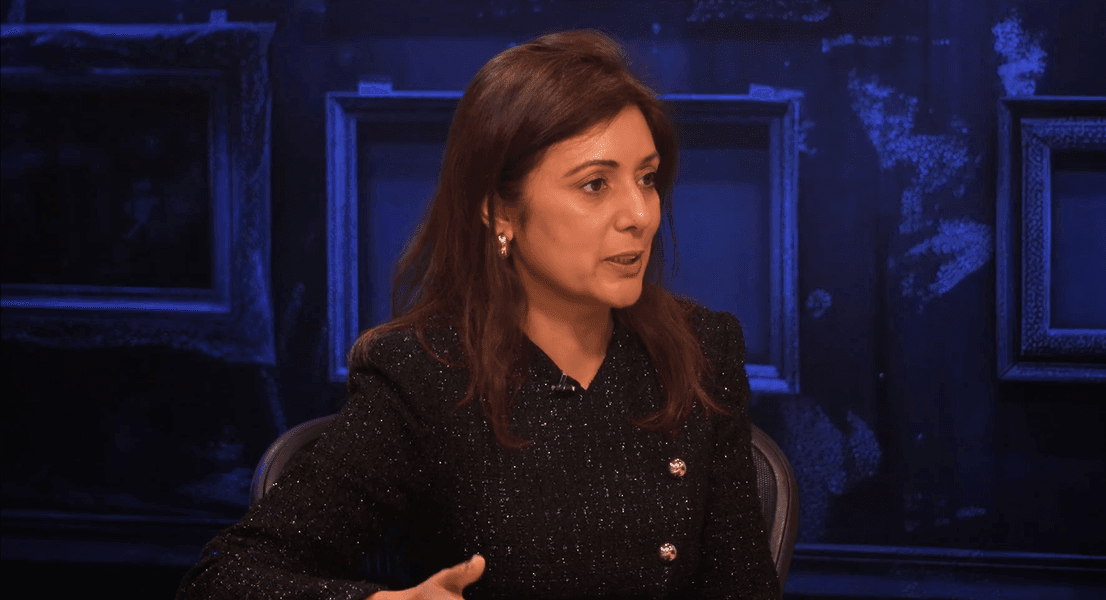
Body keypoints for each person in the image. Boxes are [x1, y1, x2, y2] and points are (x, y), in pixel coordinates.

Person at [176, 29, 780, 600]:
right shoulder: (423, 375)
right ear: (500, 211)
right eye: (596, 185)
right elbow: (225, 578)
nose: (640, 215)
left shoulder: (701, 347)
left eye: (646, 179)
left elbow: (741, 586)